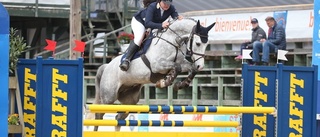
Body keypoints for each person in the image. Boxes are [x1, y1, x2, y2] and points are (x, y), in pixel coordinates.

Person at [119, 0, 183, 71]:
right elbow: (147, 23)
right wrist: (161, 25)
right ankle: (126, 60)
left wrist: (178, 17)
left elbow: (175, 17)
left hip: (153, 25)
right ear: (160, 1)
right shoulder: (152, 6)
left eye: (168, 4)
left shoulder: (171, 8)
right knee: (139, 38)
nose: (166, 5)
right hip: (140, 22)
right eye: (164, 3)